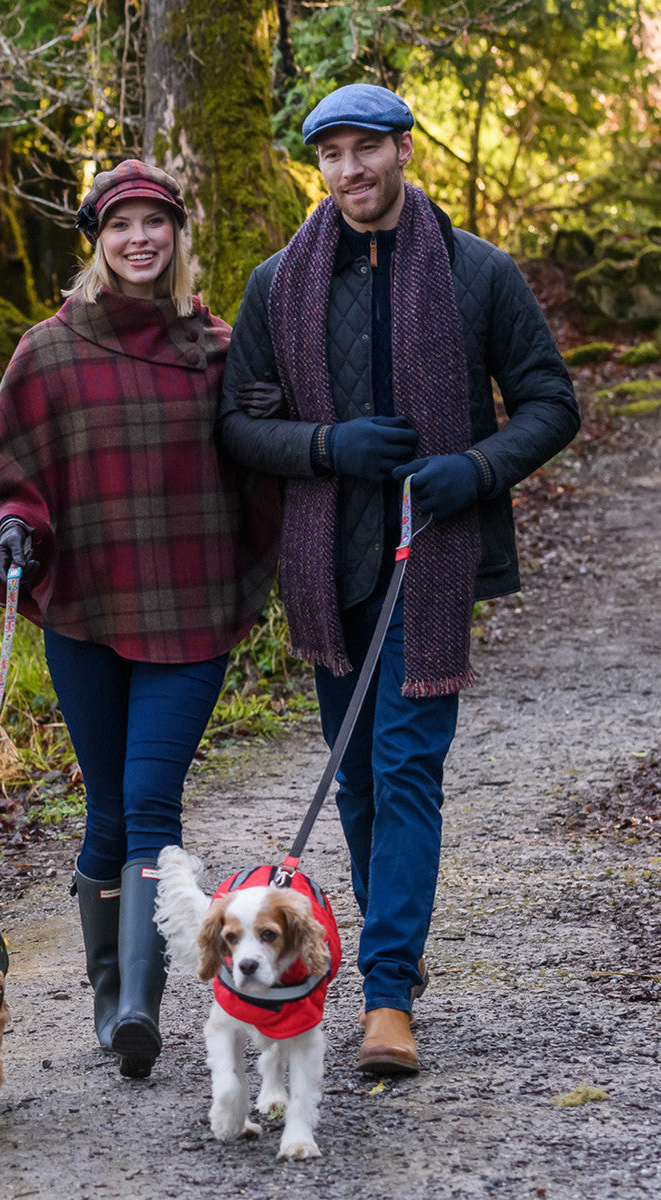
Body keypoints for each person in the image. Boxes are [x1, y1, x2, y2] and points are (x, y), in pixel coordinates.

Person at [218, 84, 579, 1075]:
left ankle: (385, 998)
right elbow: (239, 425)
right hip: (326, 569)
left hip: (430, 566)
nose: (349, 170)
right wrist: (328, 444)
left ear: (402, 150)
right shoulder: (275, 286)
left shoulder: (476, 273)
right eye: (329, 153)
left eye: (364, 148)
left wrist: (478, 465)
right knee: (359, 784)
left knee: (404, 769)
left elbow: (548, 402)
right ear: (318, 167)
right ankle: (395, 958)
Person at [0, 159, 278, 1080]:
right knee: (106, 813)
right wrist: (13, 529)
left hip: (188, 605)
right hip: (88, 608)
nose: (140, 239)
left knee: (148, 804)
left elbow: (261, 461)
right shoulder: (47, 352)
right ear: (97, 238)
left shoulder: (218, 347)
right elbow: (10, 475)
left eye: (155, 224)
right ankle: (109, 990)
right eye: (121, 224)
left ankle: (138, 1006)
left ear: (177, 234)